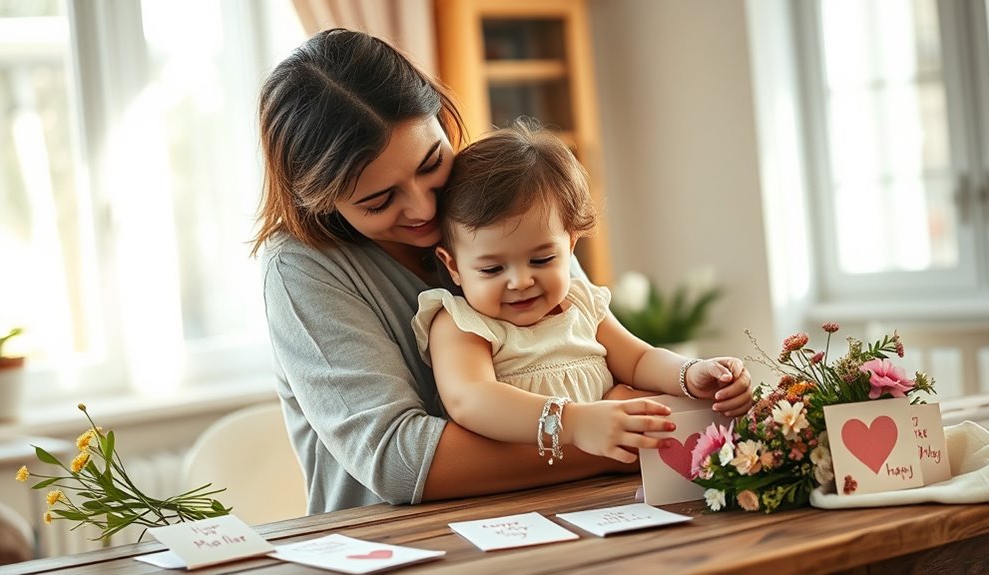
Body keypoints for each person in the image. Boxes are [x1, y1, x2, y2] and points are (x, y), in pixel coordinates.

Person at [251, 28, 750, 513]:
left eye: (431, 163)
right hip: (400, 542)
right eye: (379, 200)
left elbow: (619, 362)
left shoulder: (499, 202)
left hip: (575, 512)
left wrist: (683, 383)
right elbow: (400, 462)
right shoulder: (301, 269)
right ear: (318, 200)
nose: (425, 208)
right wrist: (614, 437)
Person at [412, 119, 752, 465]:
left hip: (607, 483)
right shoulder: (462, 323)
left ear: (571, 246)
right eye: (492, 269)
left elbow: (639, 360)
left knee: (706, 421)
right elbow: (470, 398)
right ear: (453, 266)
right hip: (526, 486)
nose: (521, 281)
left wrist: (690, 373)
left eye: (542, 259)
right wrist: (574, 424)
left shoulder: (581, 303)